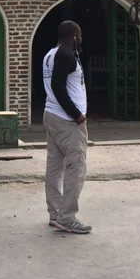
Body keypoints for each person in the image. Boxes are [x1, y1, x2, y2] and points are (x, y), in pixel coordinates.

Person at [43, 20, 91, 234]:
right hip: (66, 121)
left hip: (51, 115)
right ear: (73, 36)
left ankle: (55, 214)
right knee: (76, 168)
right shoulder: (65, 56)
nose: (81, 39)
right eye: (79, 35)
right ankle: (67, 217)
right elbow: (58, 87)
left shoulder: (50, 54)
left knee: (55, 167)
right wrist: (77, 116)